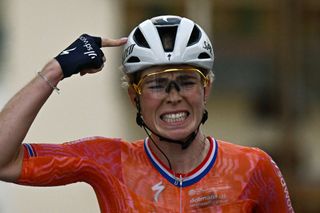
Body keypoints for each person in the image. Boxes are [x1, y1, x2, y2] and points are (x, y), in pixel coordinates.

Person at [0, 15, 294, 212]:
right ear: (134, 97)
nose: (174, 97)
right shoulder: (109, 161)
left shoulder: (254, 168)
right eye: (156, 84)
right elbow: (3, 161)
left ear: (206, 90)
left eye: (187, 81)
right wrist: (56, 69)